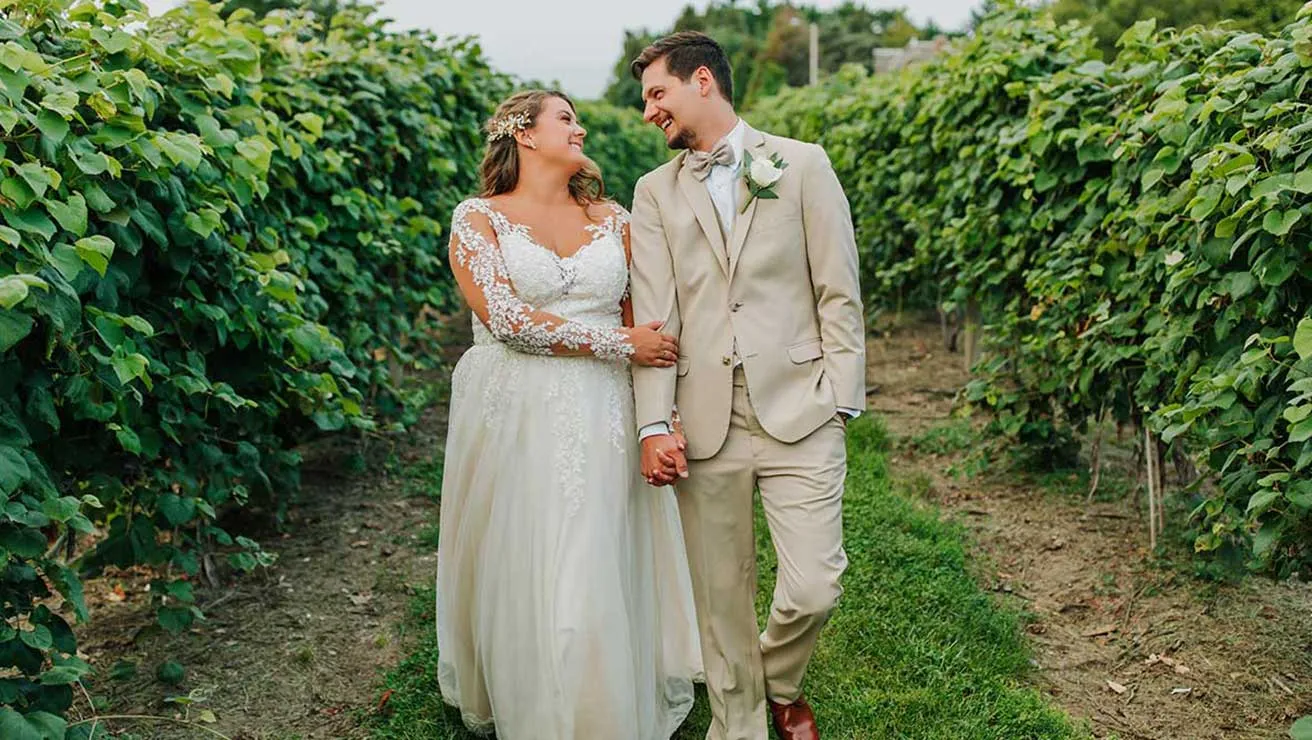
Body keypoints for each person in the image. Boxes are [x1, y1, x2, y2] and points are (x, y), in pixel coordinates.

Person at [434, 89, 701, 740]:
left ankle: (598, 705)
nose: (580, 128)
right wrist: (618, 344)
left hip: (603, 407)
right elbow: (506, 319)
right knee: (531, 554)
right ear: (523, 135)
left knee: (594, 553)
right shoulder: (479, 219)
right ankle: (539, 699)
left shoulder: (614, 219)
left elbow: (645, 316)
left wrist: (658, 416)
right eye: (566, 118)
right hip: (518, 408)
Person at [629, 32, 866, 740]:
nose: (648, 112)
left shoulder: (802, 165)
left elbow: (839, 290)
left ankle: (778, 679)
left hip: (802, 404)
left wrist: (842, 396)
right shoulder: (653, 192)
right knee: (720, 593)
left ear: (702, 80)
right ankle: (739, 724)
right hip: (704, 417)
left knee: (815, 584)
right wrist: (653, 423)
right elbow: (655, 315)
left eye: (657, 94)